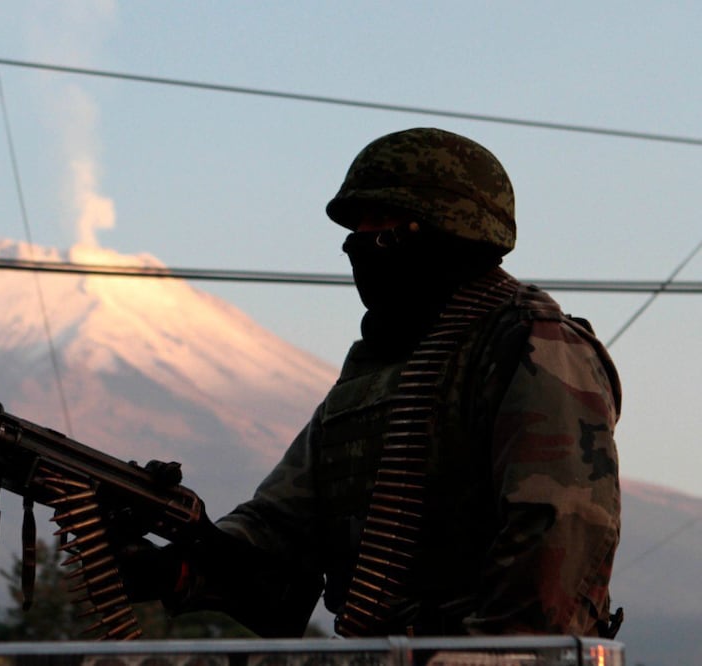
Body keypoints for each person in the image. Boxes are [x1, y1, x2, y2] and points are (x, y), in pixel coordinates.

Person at [121, 127, 622, 639]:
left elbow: (558, 536)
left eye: (383, 226)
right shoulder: (373, 373)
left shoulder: (532, 344)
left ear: (446, 232)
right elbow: (282, 524)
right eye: (357, 228)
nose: (361, 245)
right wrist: (178, 561)